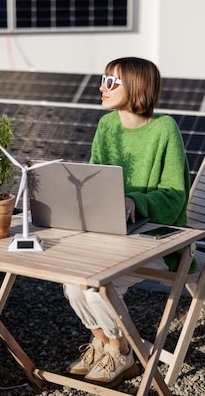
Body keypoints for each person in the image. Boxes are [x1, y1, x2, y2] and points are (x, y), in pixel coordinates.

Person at [63, 57, 193, 386]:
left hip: (158, 238)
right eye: (103, 80)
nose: (101, 87)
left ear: (136, 87)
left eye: (111, 81)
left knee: (97, 291)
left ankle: (122, 353)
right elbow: (94, 178)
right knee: (72, 284)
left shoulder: (165, 130)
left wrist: (136, 201)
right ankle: (103, 342)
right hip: (110, 233)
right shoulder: (107, 126)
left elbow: (176, 196)